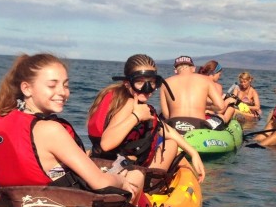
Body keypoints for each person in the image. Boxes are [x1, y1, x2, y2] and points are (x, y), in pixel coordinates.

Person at [0, 53, 144, 204]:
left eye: (65, 85)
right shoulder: (51, 130)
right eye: (52, 85)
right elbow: (100, 183)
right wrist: (122, 181)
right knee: (135, 175)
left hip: (21, 205)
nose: (63, 92)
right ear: (26, 89)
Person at [87, 54, 205, 183]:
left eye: (151, 82)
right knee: (171, 145)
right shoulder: (129, 105)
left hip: (106, 164)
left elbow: (163, 128)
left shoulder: (122, 99)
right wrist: (136, 116)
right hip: (124, 173)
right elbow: (106, 144)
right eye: (140, 82)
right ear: (127, 83)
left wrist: (193, 153)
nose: (147, 88)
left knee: (171, 142)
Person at [160, 55, 235, 133]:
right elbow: (220, 106)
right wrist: (204, 107)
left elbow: (166, 114)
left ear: (175, 70)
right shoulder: (205, 80)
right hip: (199, 125)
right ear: (193, 68)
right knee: (221, 117)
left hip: (175, 125)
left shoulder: (165, 83)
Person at [194, 59, 238, 128]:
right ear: (214, 73)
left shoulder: (197, 81)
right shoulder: (216, 86)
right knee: (231, 108)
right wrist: (227, 101)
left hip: (193, 116)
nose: (219, 77)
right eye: (219, 75)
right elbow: (220, 110)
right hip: (206, 118)